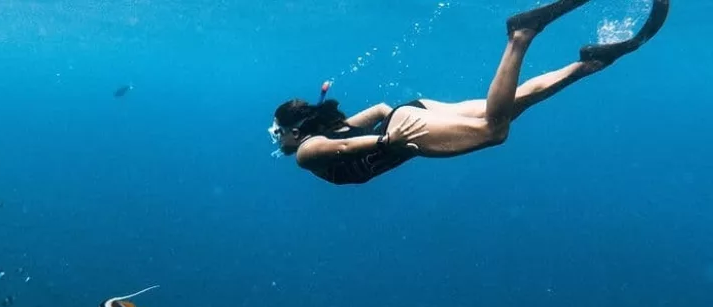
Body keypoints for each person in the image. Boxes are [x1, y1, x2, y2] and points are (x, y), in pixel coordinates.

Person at [268, 0, 669, 185]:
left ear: (295, 131)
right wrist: (391, 125)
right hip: (411, 114)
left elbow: (342, 148)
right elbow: (375, 112)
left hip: (403, 129)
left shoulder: (306, 153)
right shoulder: (326, 132)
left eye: (277, 132)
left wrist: (387, 141)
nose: (277, 140)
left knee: (494, 130)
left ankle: (521, 35)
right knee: (511, 105)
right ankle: (588, 65)